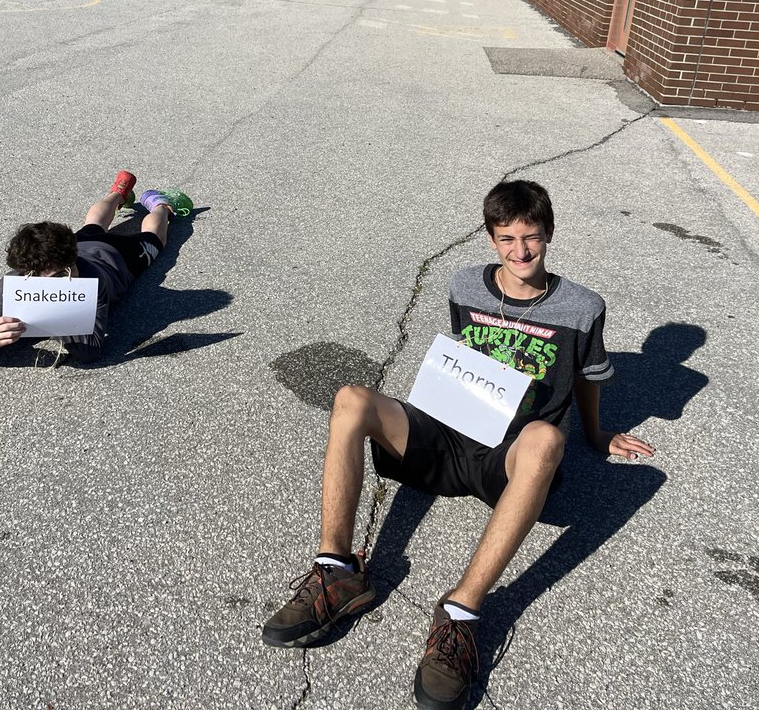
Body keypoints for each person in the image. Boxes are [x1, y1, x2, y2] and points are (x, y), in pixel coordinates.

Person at [261, 179, 654, 710]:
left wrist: (595, 433)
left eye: (532, 238)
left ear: (550, 234)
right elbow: (463, 356)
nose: (521, 251)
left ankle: (462, 612)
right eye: (507, 239)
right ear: (491, 239)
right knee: (352, 397)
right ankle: (338, 573)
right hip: (450, 432)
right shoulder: (464, 284)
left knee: (542, 438)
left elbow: (587, 376)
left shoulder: (582, 307)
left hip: (509, 458)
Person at [0, 170, 192, 364]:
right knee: (93, 224)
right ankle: (118, 193)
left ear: (72, 261)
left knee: (154, 238)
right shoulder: (15, 282)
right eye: (36, 278)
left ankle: (160, 204)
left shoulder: (92, 283)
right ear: (24, 270)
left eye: (60, 276)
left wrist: (57, 310)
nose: (48, 286)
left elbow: (89, 351)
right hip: (86, 244)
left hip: (120, 260)